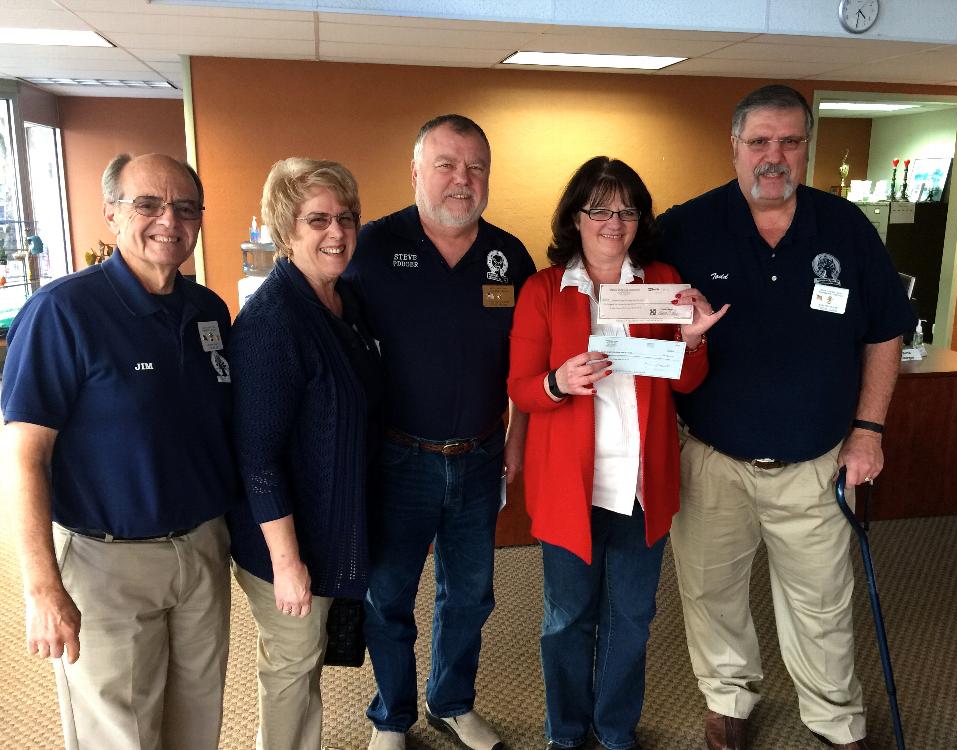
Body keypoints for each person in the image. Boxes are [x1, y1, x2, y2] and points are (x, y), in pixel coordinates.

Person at [656, 84, 916, 750]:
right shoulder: (689, 226)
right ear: (735, 145)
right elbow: (628, 298)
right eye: (761, 141)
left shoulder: (846, 227)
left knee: (823, 606)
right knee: (712, 597)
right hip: (713, 459)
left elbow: (886, 328)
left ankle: (833, 716)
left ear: (806, 148)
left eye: (791, 142)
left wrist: (869, 430)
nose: (775, 156)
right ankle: (728, 699)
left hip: (816, 462)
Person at [1, 153, 238, 750]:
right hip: (109, 566)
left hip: (202, 553)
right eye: (148, 204)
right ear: (110, 214)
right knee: (121, 735)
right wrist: (42, 589)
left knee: (197, 724)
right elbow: (23, 457)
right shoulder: (63, 312)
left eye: (185, 207)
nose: (169, 220)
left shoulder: (208, 310)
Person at [508, 156, 726, 750]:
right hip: (568, 491)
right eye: (600, 208)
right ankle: (567, 732)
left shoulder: (661, 281)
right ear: (575, 218)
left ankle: (615, 730)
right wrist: (558, 382)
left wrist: (692, 342)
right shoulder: (544, 291)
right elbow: (521, 387)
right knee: (567, 621)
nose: (614, 220)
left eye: (627, 209)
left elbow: (683, 383)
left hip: (641, 487)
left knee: (631, 621)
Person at [344, 114, 536, 750]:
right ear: (416, 172)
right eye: (447, 165)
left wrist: (514, 444)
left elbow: (526, 365)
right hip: (399, 458)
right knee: (389, 595)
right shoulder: (371, 248)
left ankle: (451, 701)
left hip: (482, 456)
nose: (463, 179)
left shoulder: (510, 257)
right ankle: (392, 717)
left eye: (476, 167)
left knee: (471, 596)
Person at [226, 158, 380, 750]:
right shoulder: (273, 321)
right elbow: (257, 457)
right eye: (318, 219)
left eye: (345, 218)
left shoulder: (343, 304)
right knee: (291, 668)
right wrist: (287, 565)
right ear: (286, 230)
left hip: (327, 524)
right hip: (283, 541)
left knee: (308, 659)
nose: (336, 233)